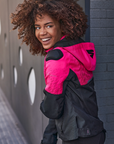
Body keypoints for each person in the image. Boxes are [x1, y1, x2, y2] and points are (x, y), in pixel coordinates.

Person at [11, 0, 106, 144]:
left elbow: (52, 110)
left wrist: (43, 105)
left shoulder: (57, 58)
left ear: (62, 25)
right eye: (37, 27)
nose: (42, 32)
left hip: (78, 137)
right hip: (93, 131)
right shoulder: (76, 49)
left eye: (48, 25)